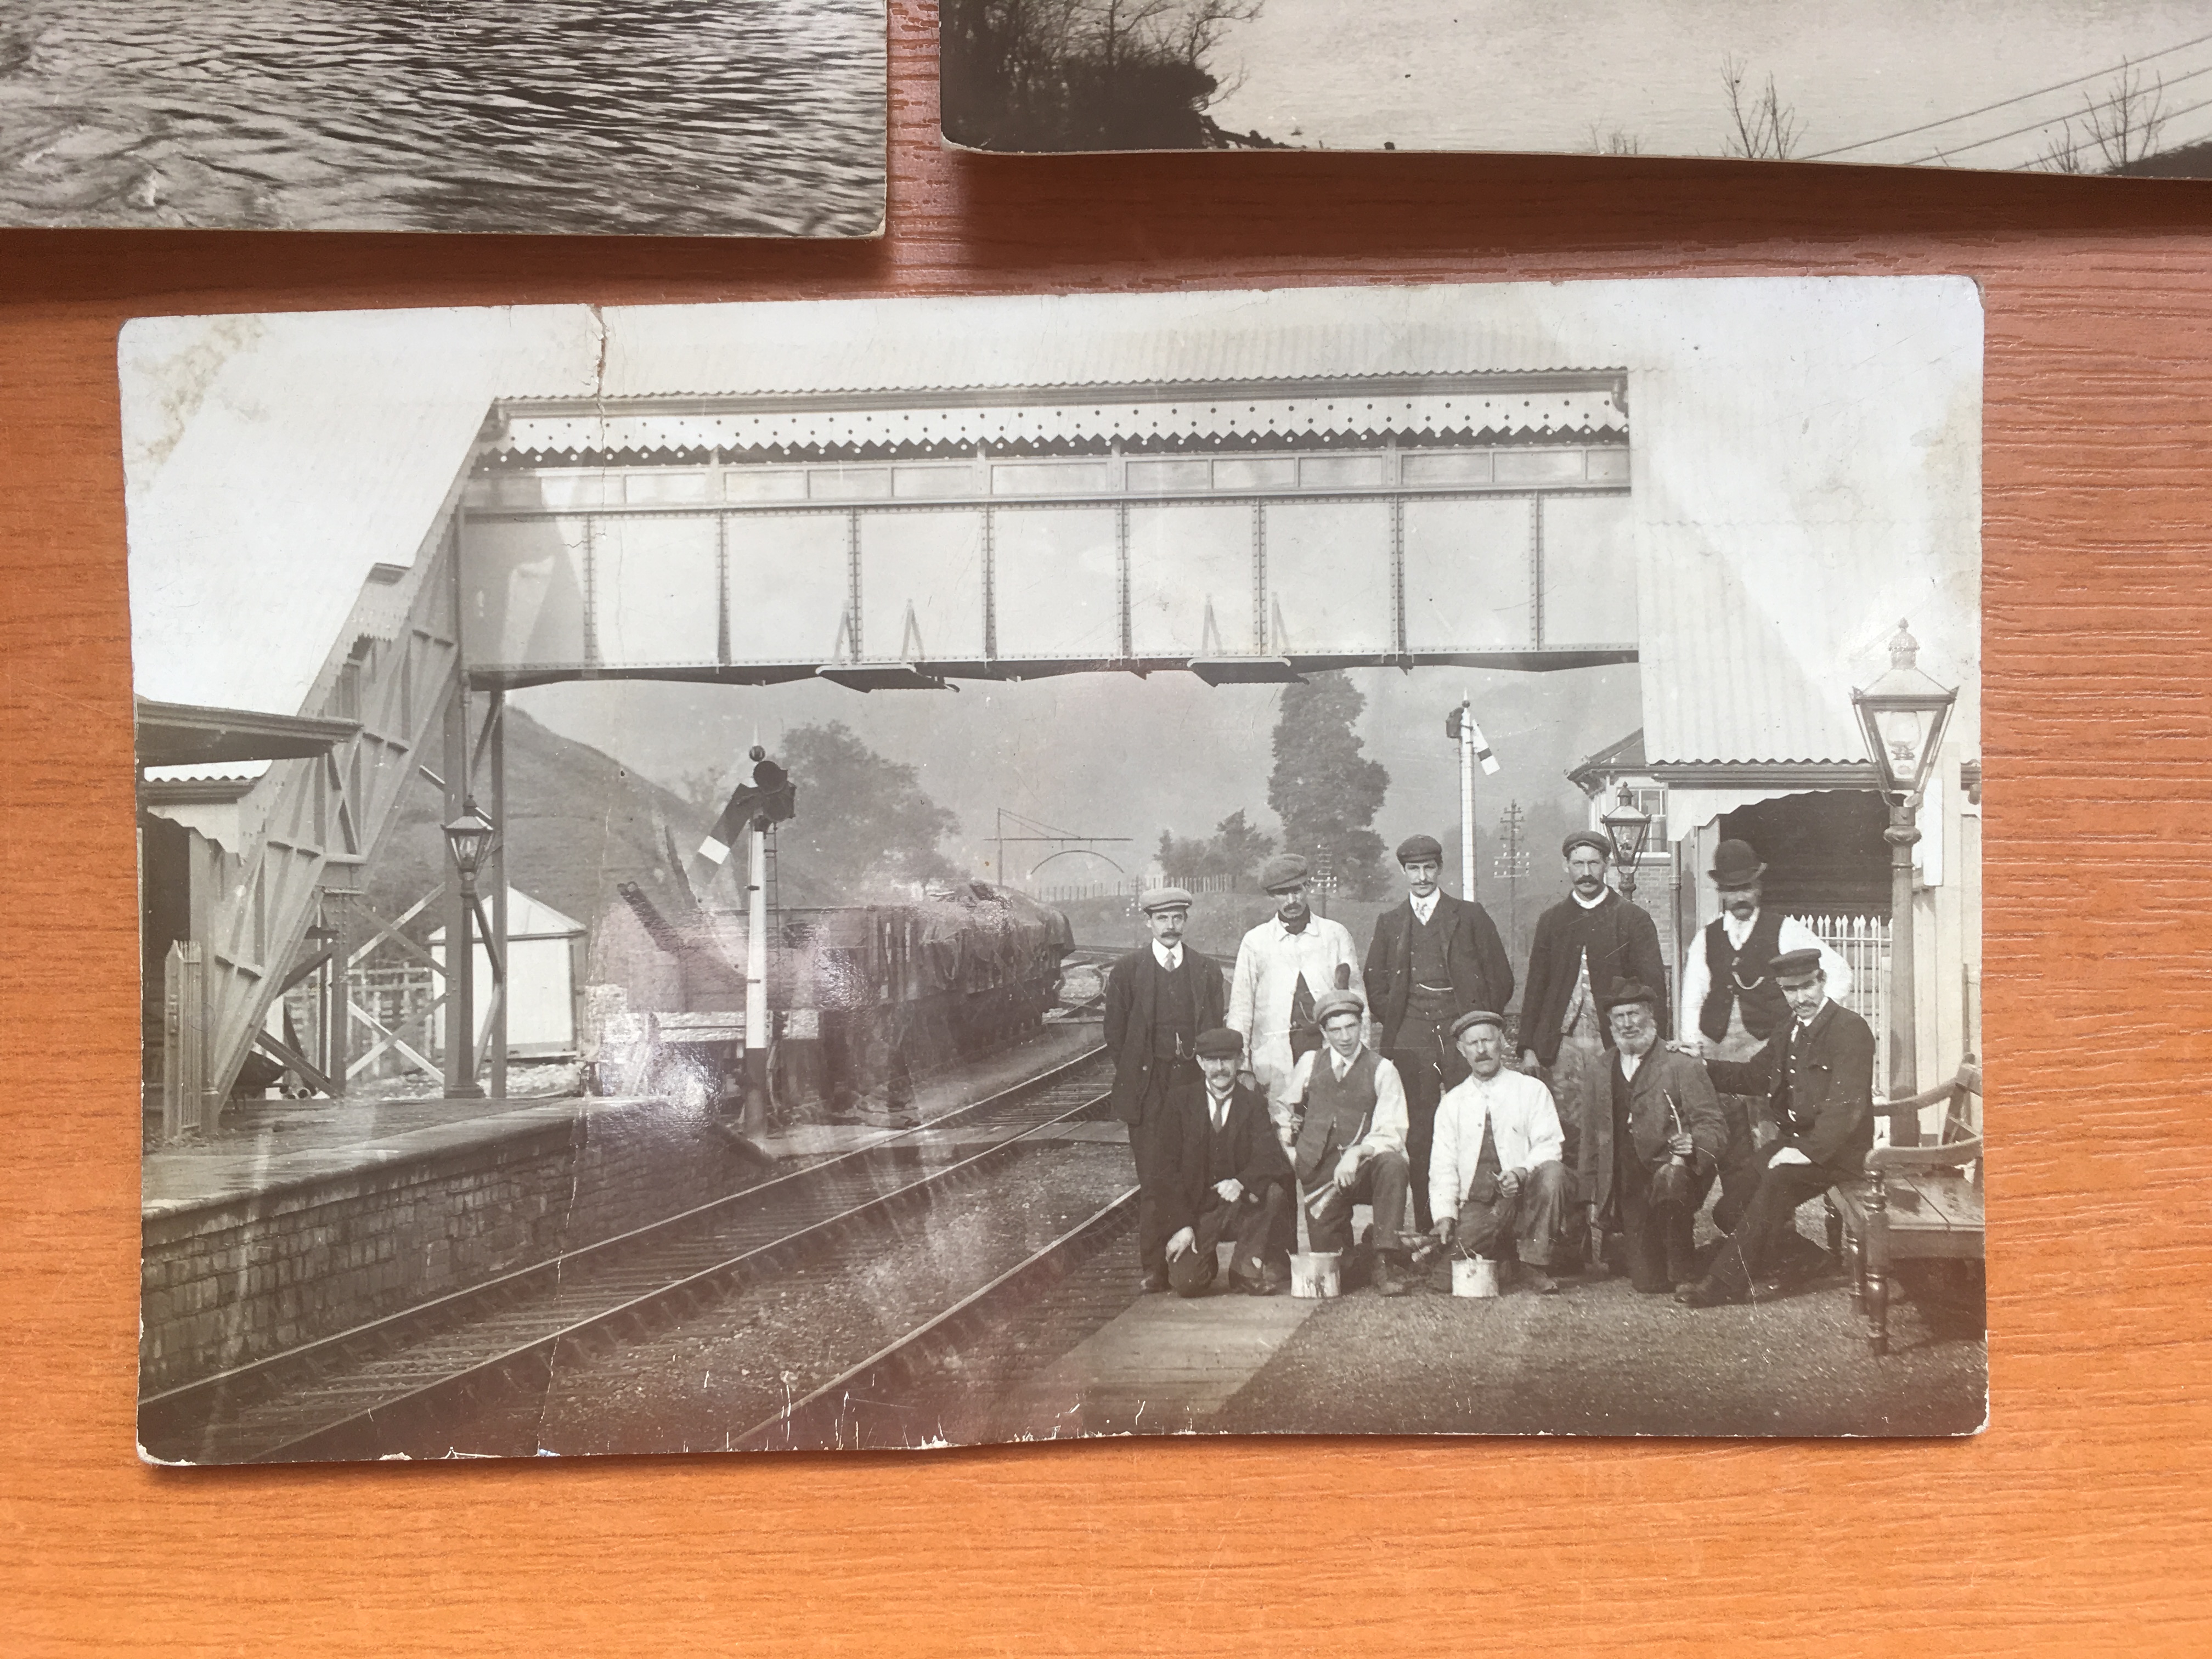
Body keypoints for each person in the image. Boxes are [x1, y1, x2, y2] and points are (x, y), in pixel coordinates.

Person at [1678, 949, 1876, 1308]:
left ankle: (1726, 1283)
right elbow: (1754, 1075)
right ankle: (1808, 1259)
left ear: (1822, 982)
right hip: (1798, 1143)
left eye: (1806, 987)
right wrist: (1701, 1066)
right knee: (1728, 1210)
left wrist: (1802, 1152)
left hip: (1841, 1152)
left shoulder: (1850, 1030)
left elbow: (1844, 1112)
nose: (1799, 998)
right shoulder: (1789, 1030)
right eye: (1790, 990)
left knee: (1778, 1179)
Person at [1678, 838, 1853, 1229]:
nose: (1740, 896)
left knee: (1768, 1142)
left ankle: (1776, 1234)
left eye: (1747, 887)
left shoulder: (1786, 931)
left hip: (1767, 1057)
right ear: (1721, 893)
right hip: (1718, 1053)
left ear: (1759, 887)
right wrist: (1693, 1048)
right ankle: (1734, 1230)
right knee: (1723, 1138)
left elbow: (1839, 973)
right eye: (1731, 889)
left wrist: (1802, 1025)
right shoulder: (1706, 938)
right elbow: (1692, 997)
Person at [1362, 832, 1514, 1237]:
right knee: (1420, 1128)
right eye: (1414, 869)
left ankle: (1475, 1217)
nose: (1423, 876)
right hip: (1412, 1036)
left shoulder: (1470, 916)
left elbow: (1501, 977)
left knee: (1472, 1119)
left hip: (1460, 1029)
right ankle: (1431, 1223)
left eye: (1429, 868)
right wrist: (1398, 1016)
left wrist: (1478, 1024)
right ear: (1404, 872)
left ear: (1440, 869)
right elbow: (1374, 983)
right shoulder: (1391, 922)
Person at [1518, 829, 1667, 1237]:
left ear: (1606, 866)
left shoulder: (1632, 919)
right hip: (1561, 1051)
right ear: (1568, 867)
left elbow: (1655, 987)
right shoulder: (1552, 922)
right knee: (1566, 1139)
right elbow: (1536, 987)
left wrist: (1655, 1049)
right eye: (1579, 864)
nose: (1586, 872)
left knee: (1615, 1135)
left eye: (1594, 864)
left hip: (1615, 1048)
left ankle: (1620, 1234)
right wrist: (1530, 1048)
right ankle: (1571, 1238)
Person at [1103, 886, 1227, 1292]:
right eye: (1162, 919)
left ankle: (1197, 1262)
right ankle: (1154, 1267)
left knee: (1196, 1169)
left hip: (1192, 1083)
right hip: (1149, 1087)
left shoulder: (1206, 970)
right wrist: (1139, 1075)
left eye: (1177, 918)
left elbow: (1215, 1028)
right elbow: (1115, 1036)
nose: (1171, 926)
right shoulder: (1127, 971)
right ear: (1149, 923)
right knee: (1155, 1176)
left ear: (1185, 921)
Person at [1588, 980, 1728, 1294]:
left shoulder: (1681, 1062)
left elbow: (1714, 1125)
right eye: (1619, 1017)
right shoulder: (1601, 1067)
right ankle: (1706, 1255)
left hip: (1673, 1173)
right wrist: (1592, 1188)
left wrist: (1694, 1144)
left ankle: (1688, 1268)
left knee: (1671, 1186)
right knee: (1648, 1283)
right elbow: (1592, 1134)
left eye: (1634, 1014)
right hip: (1628, 1183)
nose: (1627, 1024)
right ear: (1610, 1025)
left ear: (1651, 1016)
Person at [1281, 989, 1414, 1296]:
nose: (1345, 1037)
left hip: (1363, 1170)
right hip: (1320, 1175)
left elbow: (1392, 1131)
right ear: (1325, 1033)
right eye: (1336, 1030)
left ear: (1361, 1026)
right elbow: (1283, 1109)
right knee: (1337, 1275)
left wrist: (1357, 1153)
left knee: (1393, 1164)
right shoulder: (1310, 1062)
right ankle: (1369, 1251)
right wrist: (1292, 1149)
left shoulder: (1382, 1069)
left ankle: (1384, 1259)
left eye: (1351, 1027)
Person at [1429, 1008, 1570, 1293]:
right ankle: (1505, 1258)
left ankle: (1533, 1265)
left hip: (1525, 1200)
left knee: (1553, 1173)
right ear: (1461, 1050)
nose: (1482, 1050)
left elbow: (1550, 1145)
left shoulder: (1532, 1090)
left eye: (1488, 1041)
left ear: (1502, 1042)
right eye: (1473, 1044)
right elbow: (1443, 1165)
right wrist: (1445, 1215)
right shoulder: (1453, 1103)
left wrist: (1521, 1171)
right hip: (1480, 1205)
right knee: (1444, 1280)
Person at [1227, 853, 1365, 1128]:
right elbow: (1241, 1007)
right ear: (1272, 897)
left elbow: (1357, 1001)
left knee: (1329, 1124)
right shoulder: (1256, 942)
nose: (1291, 901)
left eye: (1297, 891)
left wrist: (1362, 1056)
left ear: (1308, 887)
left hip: (1326, 1048)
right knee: (1280, 1128)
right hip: (1275, 1055)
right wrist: (1242, 1066)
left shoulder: (1335, 935)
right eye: (1282, 894)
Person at [1161, 1029, 1293, 1297]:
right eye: (1211, 1060)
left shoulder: (1253, 1103)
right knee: (1188, 1285)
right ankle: (1204, 1259)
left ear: (1240, 1060)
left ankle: (1244, 1269)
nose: (1219, 1068)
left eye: (1227, 1060)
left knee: (1273, 1192)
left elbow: (1270, 1158)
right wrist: (1181, 1225)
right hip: (1197, 1212)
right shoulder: (1179, 1102)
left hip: (1238, 1207)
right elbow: (1165, 1170)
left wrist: (1241, 1182)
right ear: (1200, 1063)